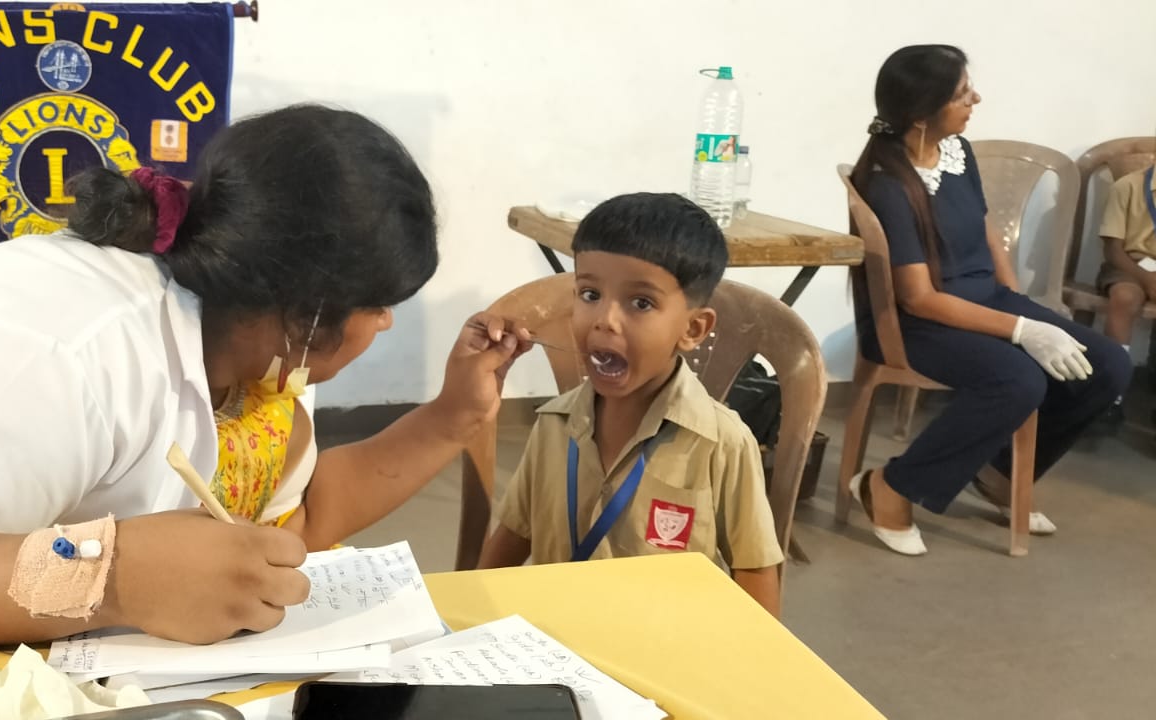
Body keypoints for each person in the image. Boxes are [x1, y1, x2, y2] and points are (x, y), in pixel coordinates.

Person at [0, 104, 534, 718]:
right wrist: (110, 576)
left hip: (38, 663)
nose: (384, 327)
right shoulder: (60, 349)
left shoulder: (246, 364)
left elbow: (291, 524)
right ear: (308, 307)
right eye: (380, 305)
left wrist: (453, 418)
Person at [846, 45, 1131, 555]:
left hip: (984, 303)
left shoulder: (958, 153)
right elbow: (919, 299)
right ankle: (890, 485)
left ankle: (998, 474)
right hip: (916, 323)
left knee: (1108, 364)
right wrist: (1020, 331)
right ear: (920, 112)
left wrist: (1017, 304)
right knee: (1017, 378)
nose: (975, 98)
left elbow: (985, 231)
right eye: (961, 94)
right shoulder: (889, 184)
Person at [477, 193, 784, 617]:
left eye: (641, 303)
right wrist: (468, 625)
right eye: (589, 294)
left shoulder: (722, 443)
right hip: (553, 648)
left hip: (665, 659)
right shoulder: (552, 426)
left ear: (693, 329)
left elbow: (756, 572)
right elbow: (512, 538)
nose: (605, 319)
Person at [1094, 161, 1156, 425]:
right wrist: (1148, 279)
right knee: (1125, 298)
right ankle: (1112, 395)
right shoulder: (1128, 186)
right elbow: (1113, 250)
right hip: (1129, 265)